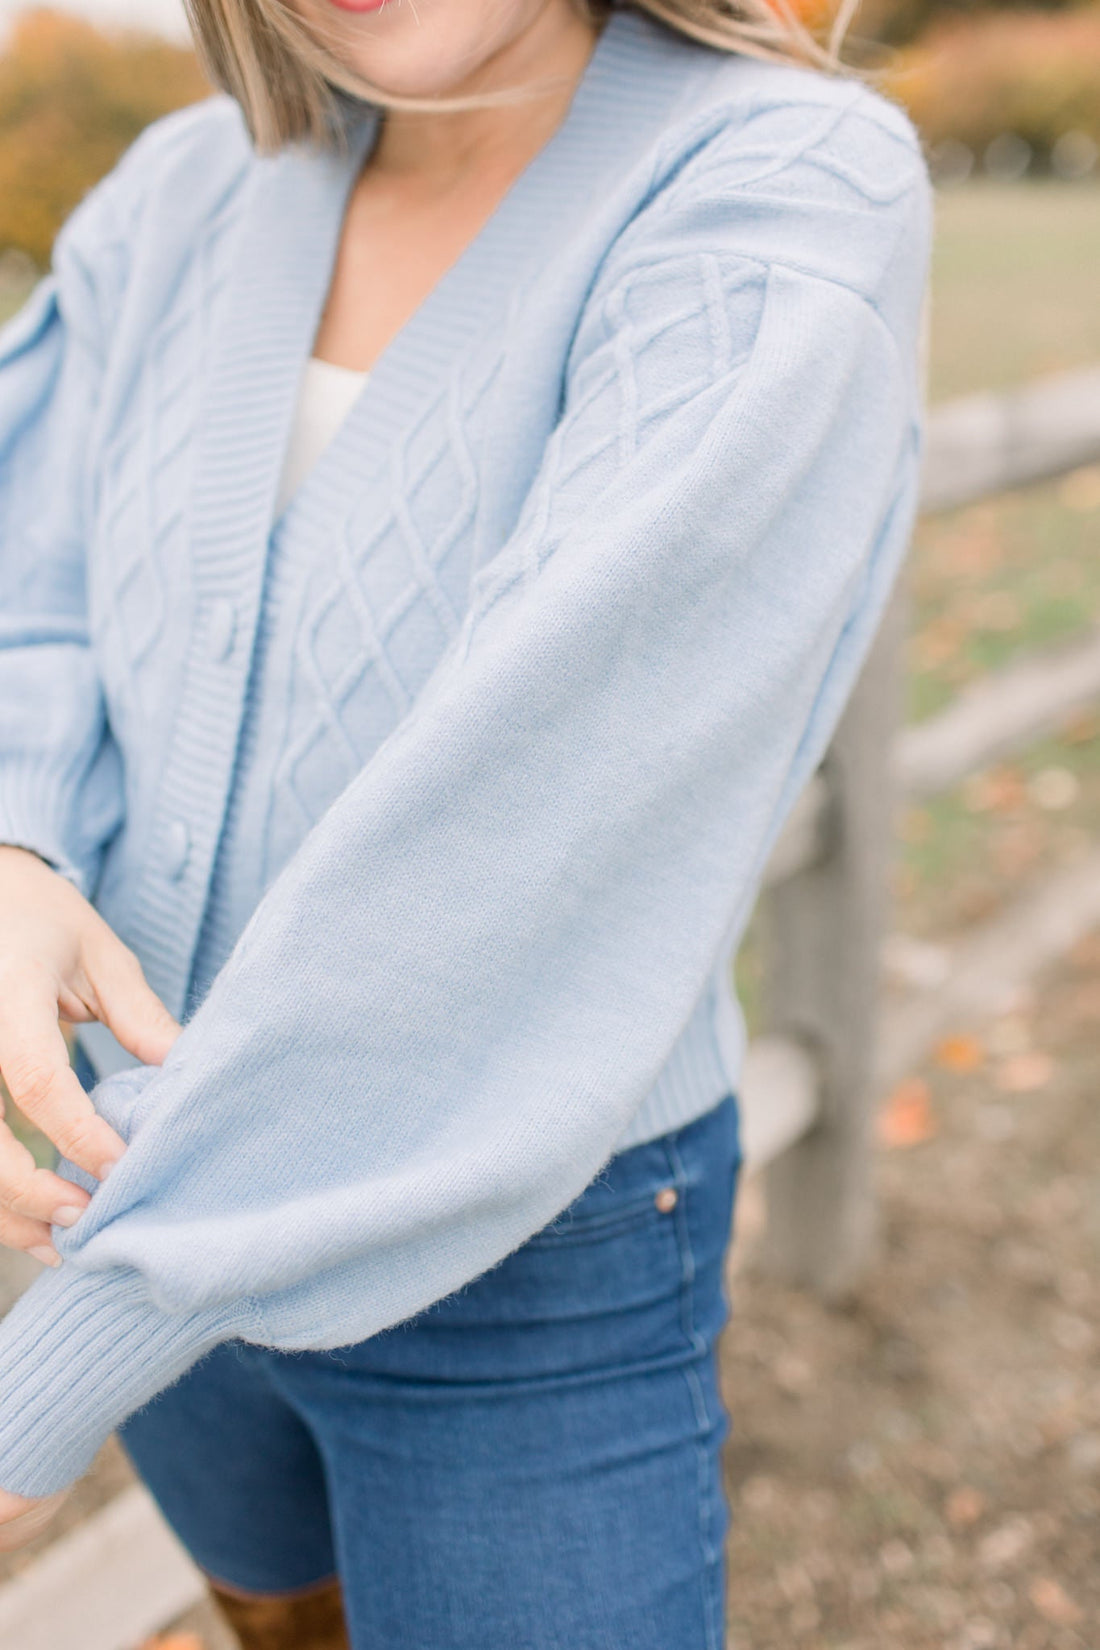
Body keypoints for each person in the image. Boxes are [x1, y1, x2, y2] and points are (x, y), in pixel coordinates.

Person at [0, 0, 931, 1640]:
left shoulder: (781, 181)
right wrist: (14, 844)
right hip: (127, 1163)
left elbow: (538, 810)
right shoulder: (172, 193)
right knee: (285, 1621)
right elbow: (31, 585)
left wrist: (79, 1335)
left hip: (524, 1254)